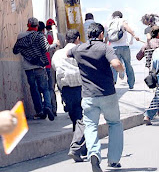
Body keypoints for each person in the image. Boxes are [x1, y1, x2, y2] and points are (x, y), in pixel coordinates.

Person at [67, 23, 125, 171]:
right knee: (114, 124)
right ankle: (113, 160)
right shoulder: (105, 48)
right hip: (107, 95)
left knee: (91, 126)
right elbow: (116, 63)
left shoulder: (78, 49)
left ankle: (94, 153)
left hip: (88, 96)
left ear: (88, 35)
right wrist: (120, 70)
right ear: (101, 35)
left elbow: (68, 53)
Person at [13, 17, 59, 121]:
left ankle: (39, 111)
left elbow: (15, 50)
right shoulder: (40, 36)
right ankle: (48, 106)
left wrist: (26, 52)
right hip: (40, 67)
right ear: (37, 26)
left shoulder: (21, 36)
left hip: (28, 68)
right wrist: (55, 44)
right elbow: (47, 48)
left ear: (28, 25)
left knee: (34, 90)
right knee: (45, 89)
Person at [51, 29, 87, 162]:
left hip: (66, 89)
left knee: (75, 118)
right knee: (82, 118)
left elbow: (55, 67)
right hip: (80, 88)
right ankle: (76, 147)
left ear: (66, 40)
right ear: (78, 38)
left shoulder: (58, 54)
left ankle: (82, 149)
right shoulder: (81, 50)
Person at [136, 26, 159, 125]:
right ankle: (148, 114)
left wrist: (147, 47)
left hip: (152, 72)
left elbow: (138, 57)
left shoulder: (147, 44)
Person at [108, 11, 139, 89]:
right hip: (124, 47)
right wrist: (134, 35)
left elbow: (106, 35)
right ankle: (131, 84)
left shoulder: (109, 23)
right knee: (128, 65)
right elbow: (127, 27)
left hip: (113, 47)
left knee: (113, 66)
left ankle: (113, 83)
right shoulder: (122, 21)